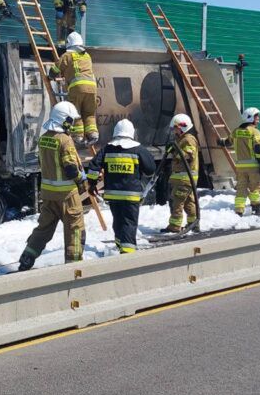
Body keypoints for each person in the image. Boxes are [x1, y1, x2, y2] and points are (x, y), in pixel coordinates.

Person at [19, 102, 87, 270]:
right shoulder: (65, 140)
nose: (72, 124)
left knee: (44, 229)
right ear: (64, 120)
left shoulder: (44, 139)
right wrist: (82, 181)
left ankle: (27, 257)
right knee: (75, 229)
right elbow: (71, 169)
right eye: (71, 121)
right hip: (67, 196)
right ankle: (74, 266)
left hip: (48, 196)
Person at [86, 119, 155, 253]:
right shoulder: (138, 149)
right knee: (129, 222)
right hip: (131, 195)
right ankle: (127, 253)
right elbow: (150, 169)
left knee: (118, 220)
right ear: (131, 133)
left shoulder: (107, 149)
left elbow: (94, 167)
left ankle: (120, 242)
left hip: (113, 195)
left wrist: (92, 184)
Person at [49, 31, 98, 145]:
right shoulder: (87, 56)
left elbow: (56, 70)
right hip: (92, 88)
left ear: (69, 44)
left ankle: (78, 137)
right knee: (89, 113)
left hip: (77, 88)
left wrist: (50, 76)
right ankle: (93, 134)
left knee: (76, 113)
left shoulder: (67, 55)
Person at [222, 107, 260, 216]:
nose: (258, 120)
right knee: (255, 187)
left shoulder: (236, 131)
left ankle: (239, 210)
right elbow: (259, 150)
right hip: (253, 166)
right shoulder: (255, 131)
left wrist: (220, 141)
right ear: (250, 118)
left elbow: (227, 142)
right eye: (256, 117)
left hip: (240, 167)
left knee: (241, 187)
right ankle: (256, 209)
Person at [162, 113, 200, 233]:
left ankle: (174, 226)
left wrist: (175, 152)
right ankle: (193, 223)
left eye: (175, 128)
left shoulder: (189, 139)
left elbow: (188, 156)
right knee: (188, 202)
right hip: (182, 178)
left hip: (185, 178)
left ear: (183, 126)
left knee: (176, 202)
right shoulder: (180, 139)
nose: (173, 131)